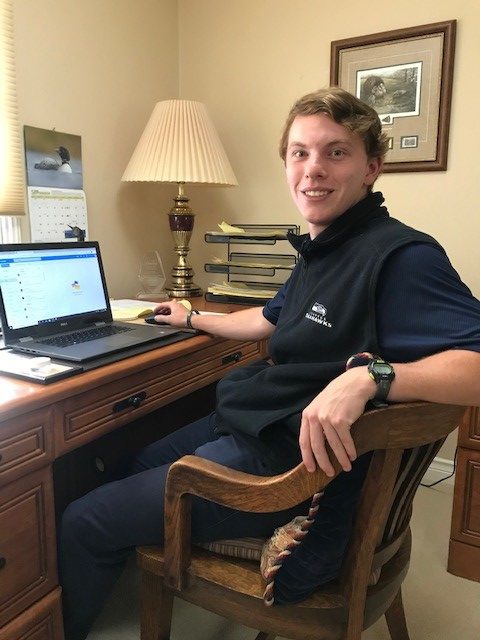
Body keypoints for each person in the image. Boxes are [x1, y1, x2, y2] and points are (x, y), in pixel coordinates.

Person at [60, 87, 480, 639]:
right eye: (300, 153)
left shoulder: (401, 257)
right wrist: (190, 318)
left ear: (371, 167)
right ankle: (126, 564)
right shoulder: (324, 246)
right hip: (257, 421)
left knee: (82, 520)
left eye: (336, 152)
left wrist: (371, 376)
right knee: (125, 462)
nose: (313, 170)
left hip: (283, 467)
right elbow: (270, 321)